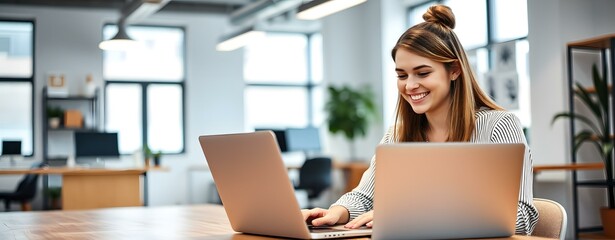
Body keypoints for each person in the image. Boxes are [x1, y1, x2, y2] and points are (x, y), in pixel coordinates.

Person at [301, 4, 539, 235]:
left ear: (454, 70)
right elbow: (365, 196)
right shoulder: (396, 135)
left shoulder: (499, 126)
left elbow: (521, 216)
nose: (410, 85)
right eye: (402, 75)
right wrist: (336, 212)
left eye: (423, 73)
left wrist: (413, 217)